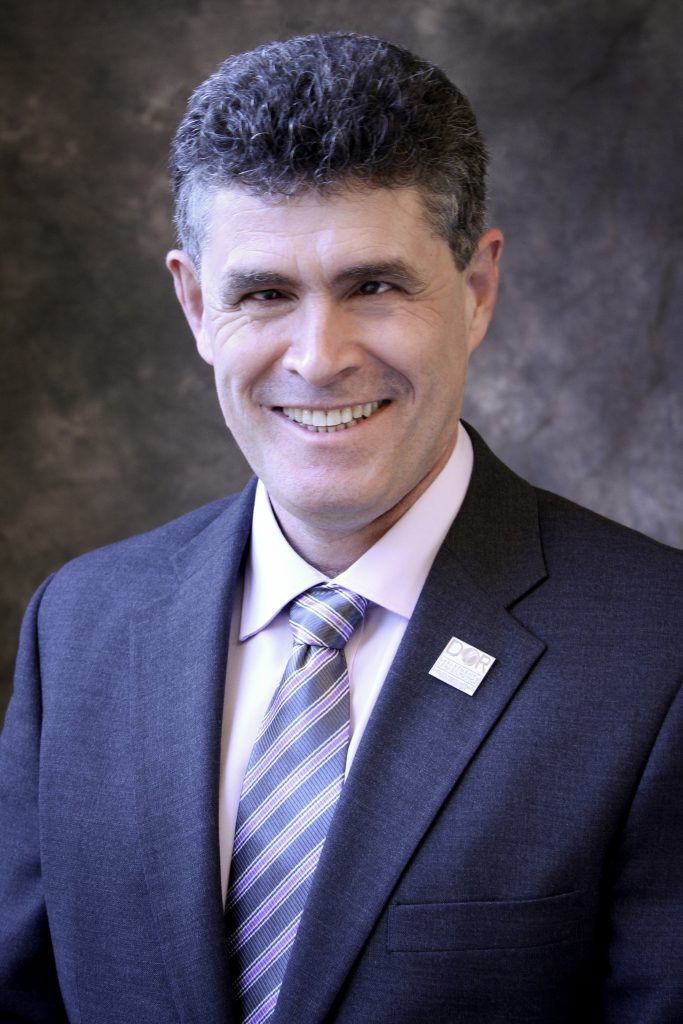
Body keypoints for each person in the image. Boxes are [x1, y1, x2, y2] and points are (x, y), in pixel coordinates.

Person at [0, 31, 681, 1024]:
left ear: (476, 291)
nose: (317, 360)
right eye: (264, 294)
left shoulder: (656, 652)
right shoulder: (82, 627)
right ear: (195, 304)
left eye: (373, 285)